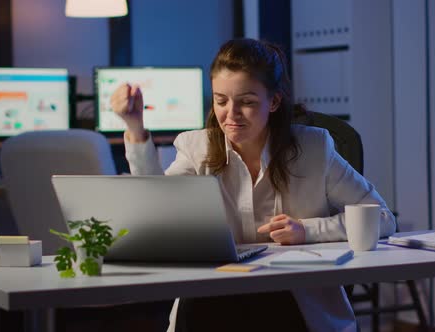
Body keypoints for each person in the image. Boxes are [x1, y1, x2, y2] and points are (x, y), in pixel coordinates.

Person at [110, 38, 396, 332]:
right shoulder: (196, 148)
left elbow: (382, 219)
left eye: (246, 102)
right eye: (221, 101)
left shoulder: (313, 147)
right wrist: (134, 126)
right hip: (212, 298)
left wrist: (307, 230)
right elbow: (157, 208)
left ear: (273, 101)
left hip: (291, 300)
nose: (231, 115)